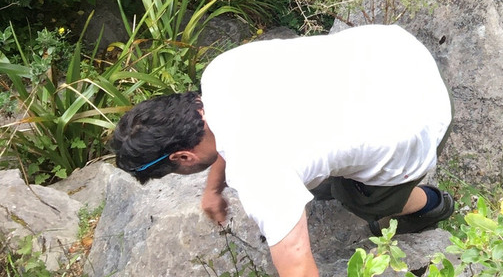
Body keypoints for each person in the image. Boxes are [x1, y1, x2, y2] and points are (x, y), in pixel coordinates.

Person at [111, 24, 454, 277]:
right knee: (319, 177)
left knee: (355, 197)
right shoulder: (220, 72)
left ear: (182, 157)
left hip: (419, 118)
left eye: (174, 170)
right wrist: (213, 188)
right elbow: (228, 134)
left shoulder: (258, 171)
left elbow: (299, 265)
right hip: (393, 50)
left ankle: (431, 205)